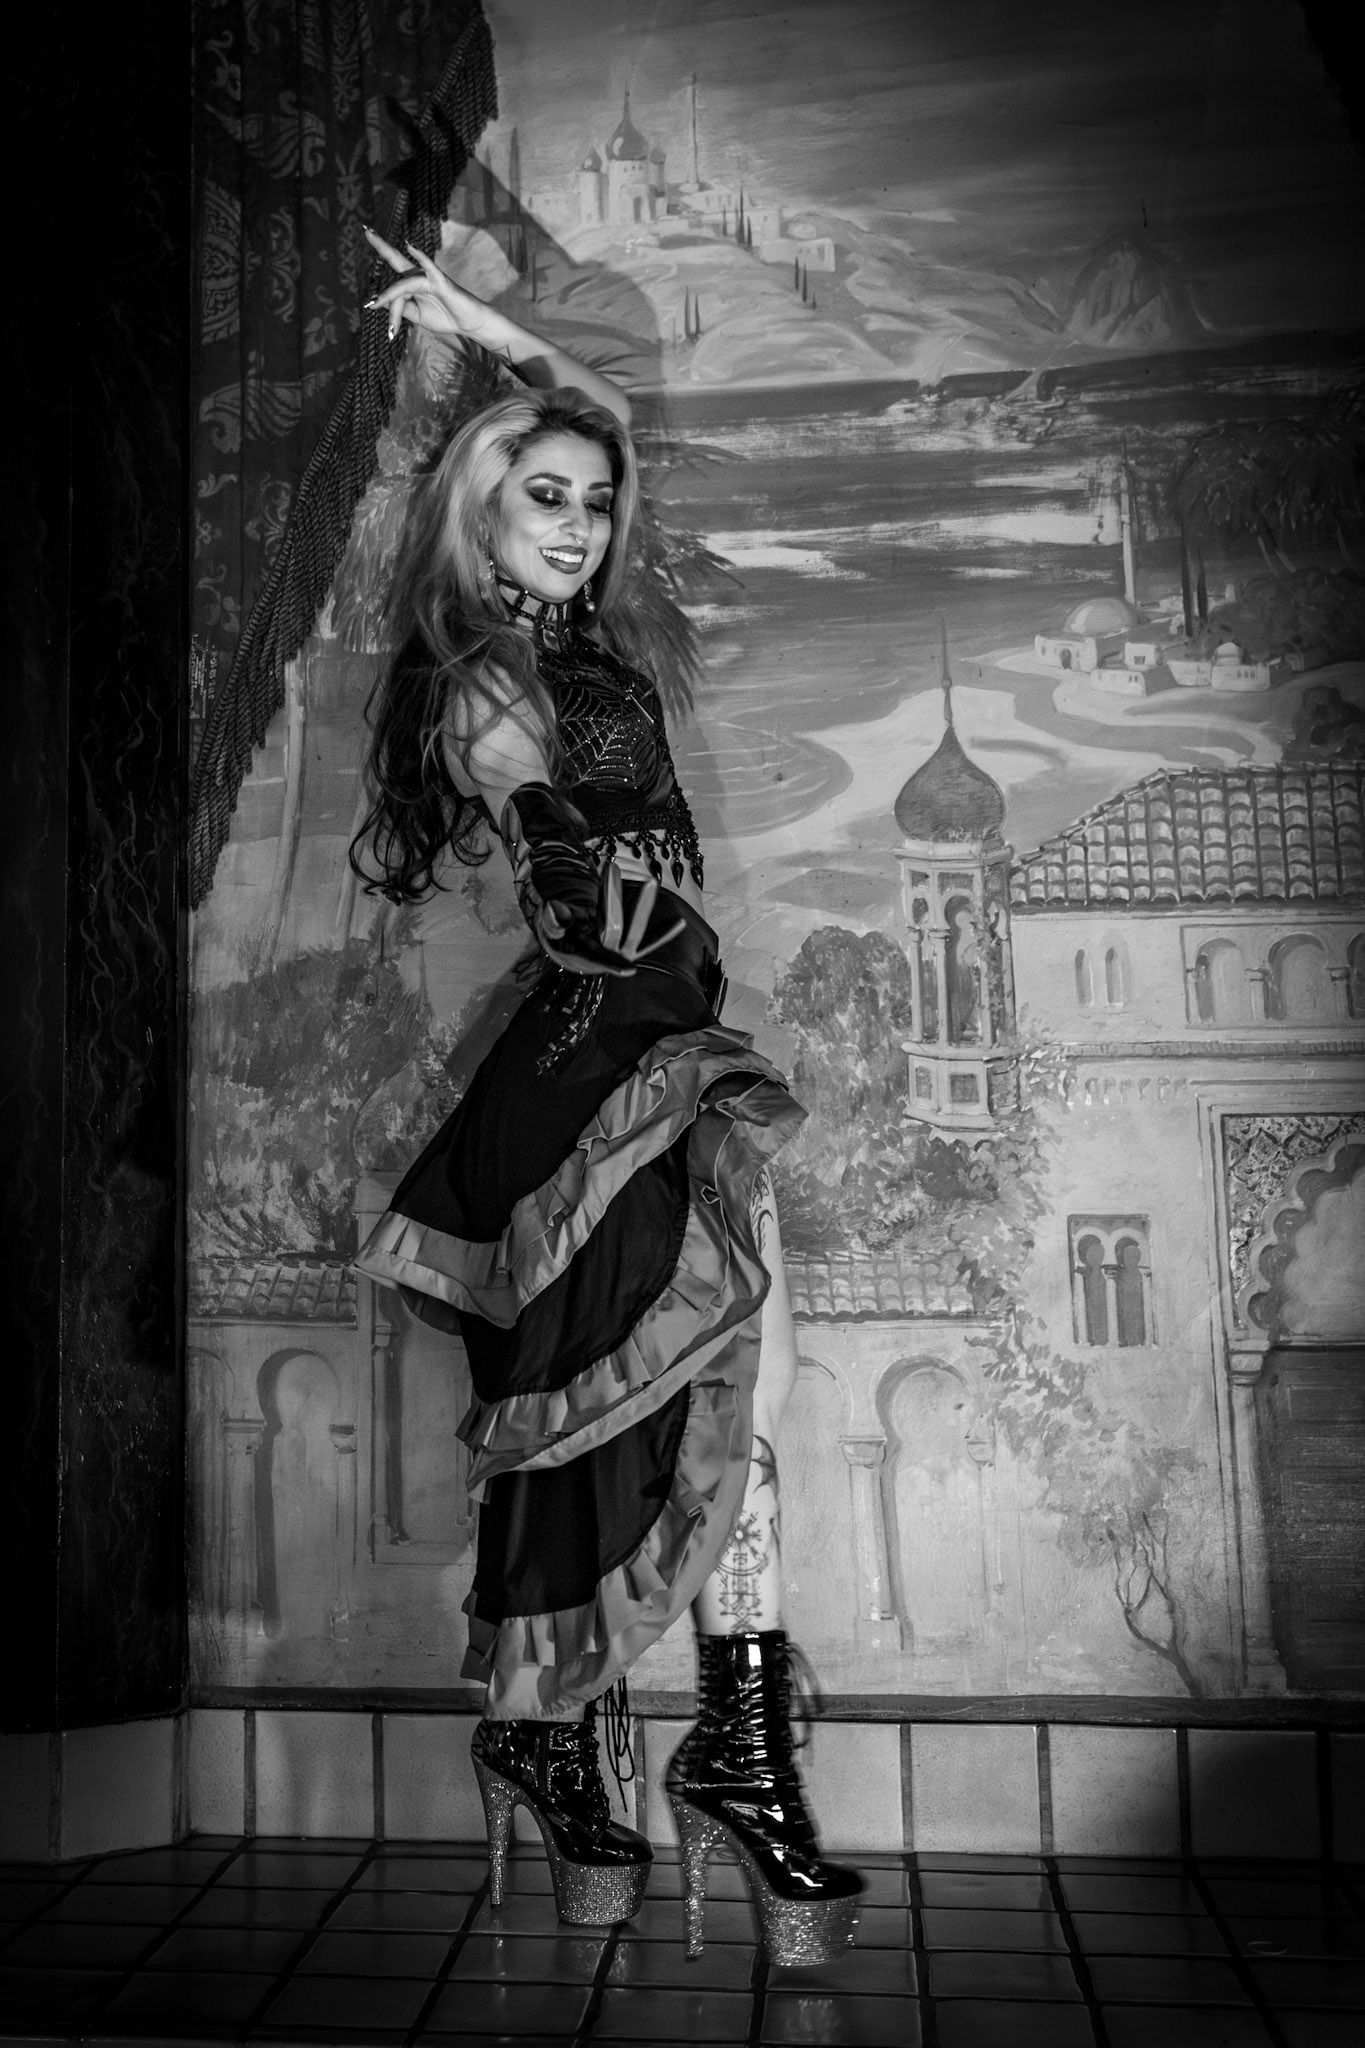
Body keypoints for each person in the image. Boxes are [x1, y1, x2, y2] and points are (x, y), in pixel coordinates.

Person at [350, 229, 862, 1965]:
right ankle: (621, 1741)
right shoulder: (485, 675)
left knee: (734, 1387)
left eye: (588, 503)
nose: (574, 523)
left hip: (652, 1050)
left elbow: (604, 412)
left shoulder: (595, 630)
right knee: (651, 1404)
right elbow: (545, 840)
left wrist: (479, 325)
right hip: (595, 1073)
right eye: (540, 499)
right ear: (481, 513)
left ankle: (695, 1740)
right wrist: (578, 873)